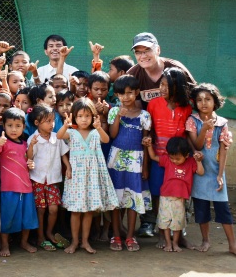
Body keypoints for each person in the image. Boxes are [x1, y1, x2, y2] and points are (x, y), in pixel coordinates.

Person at [57, 98, 118, 254]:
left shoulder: (95, 133)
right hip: (76, 177)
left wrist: (99, 127)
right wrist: (65, 125)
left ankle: (85, 242)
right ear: (74, 117)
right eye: (79, 116)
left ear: (93, 117)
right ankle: (74, 242)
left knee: (89, 211)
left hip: (91, 176)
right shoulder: (71, 132)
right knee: (76, 211)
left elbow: (106, 139)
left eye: (87, 116)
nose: (83, 119)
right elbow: (58, 136)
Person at [140, 67, 194, 240]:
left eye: (166, 85)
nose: (162, 88)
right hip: (158, 159)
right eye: (161, 84)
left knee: (179, 194)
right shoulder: (153, 104)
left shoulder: (186, 108)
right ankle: (162, 230)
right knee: (158, 193)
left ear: (177, 87)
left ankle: (178, 230)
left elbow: (188, 136)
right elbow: (148, 134)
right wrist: (146, 164)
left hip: (179, 162)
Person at [185, 84, 236, 255]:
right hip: (200, 172)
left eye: (208, 99)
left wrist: (221, 174)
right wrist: (205, 128)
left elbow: (223, 149)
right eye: (199, 100)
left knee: (223, 210)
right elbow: (197, 145)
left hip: (215, 173)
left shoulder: (222, 123)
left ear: (215, 101)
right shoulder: (193, 121)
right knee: (202, 210)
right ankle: (205, 240)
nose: (203, 103)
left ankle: (232, 244)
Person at [107, 75, 152, 252]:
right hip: (116, 160)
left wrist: (145, 167)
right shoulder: (113, 111)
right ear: (117, 95)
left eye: (129, 93)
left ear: (137, 93)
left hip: (137, 161)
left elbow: (146, 141)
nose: (125, 97)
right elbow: (113, 135)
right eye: (121, 94)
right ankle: (116, 235)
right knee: (117, 200)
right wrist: (118, 115)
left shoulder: (144, 115)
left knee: (133, 199)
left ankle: (130, 236)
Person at [0, 107, 38, 255]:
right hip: (8, 188)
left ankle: (24, 242)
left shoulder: (24, 143)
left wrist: (31, 162)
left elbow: (29, 159)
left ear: (24, 127)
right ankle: (5, 245)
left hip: (26, 187)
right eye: (10, 125)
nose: (13, 129)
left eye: (18, 126)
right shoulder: (2, 141)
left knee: (27, 219)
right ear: (3, 126)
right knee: (7, 218)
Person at [145, 137, 204, 252]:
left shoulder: (191, 162)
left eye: (178, 159)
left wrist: (198, 160)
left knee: (177, 223)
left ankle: (175, 243)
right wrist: (149, 146)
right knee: (165, 221)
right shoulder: (167, 160)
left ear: (187, 155)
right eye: (172, 158)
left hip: (180, 199)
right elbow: (153, 157)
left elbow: (201, 172)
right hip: (165, 197)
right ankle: (168, 243)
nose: (174, 161)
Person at [27, 104, 71, 251]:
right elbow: (29, 157)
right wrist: (32, 145)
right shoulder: (33, 138)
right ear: (37, 123)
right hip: (38, 179)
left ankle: (49, 232)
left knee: (53, 209)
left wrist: (68, 167)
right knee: (41, 209)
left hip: (53, 179)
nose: (51, 124)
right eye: (47, 121)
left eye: (52, 120)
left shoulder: (57, 137)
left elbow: (63, 153)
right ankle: (40, 237)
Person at [126, 32, 196, 105]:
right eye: (138, 52)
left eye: (147, 50)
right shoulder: (132, 75)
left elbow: (195, 94)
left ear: (158, 50)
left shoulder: (176, 68)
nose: (143, 56)